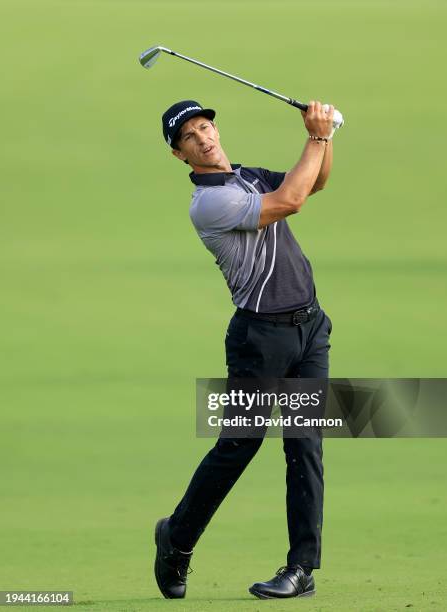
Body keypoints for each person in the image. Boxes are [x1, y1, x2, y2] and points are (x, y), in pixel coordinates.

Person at [154, 99, 336, 600]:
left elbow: (313, 181)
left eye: (206, 126)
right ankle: (177, 539)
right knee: (240, 444)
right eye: (190, 136)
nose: (204, 138)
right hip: (261, 340)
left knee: (306, 445)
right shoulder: (209, 203)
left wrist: (328, 135)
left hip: (309, 329)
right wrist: (316, 137)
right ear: (180, 155)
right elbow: (291, 202)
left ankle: (302, 569)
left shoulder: (247, 176)